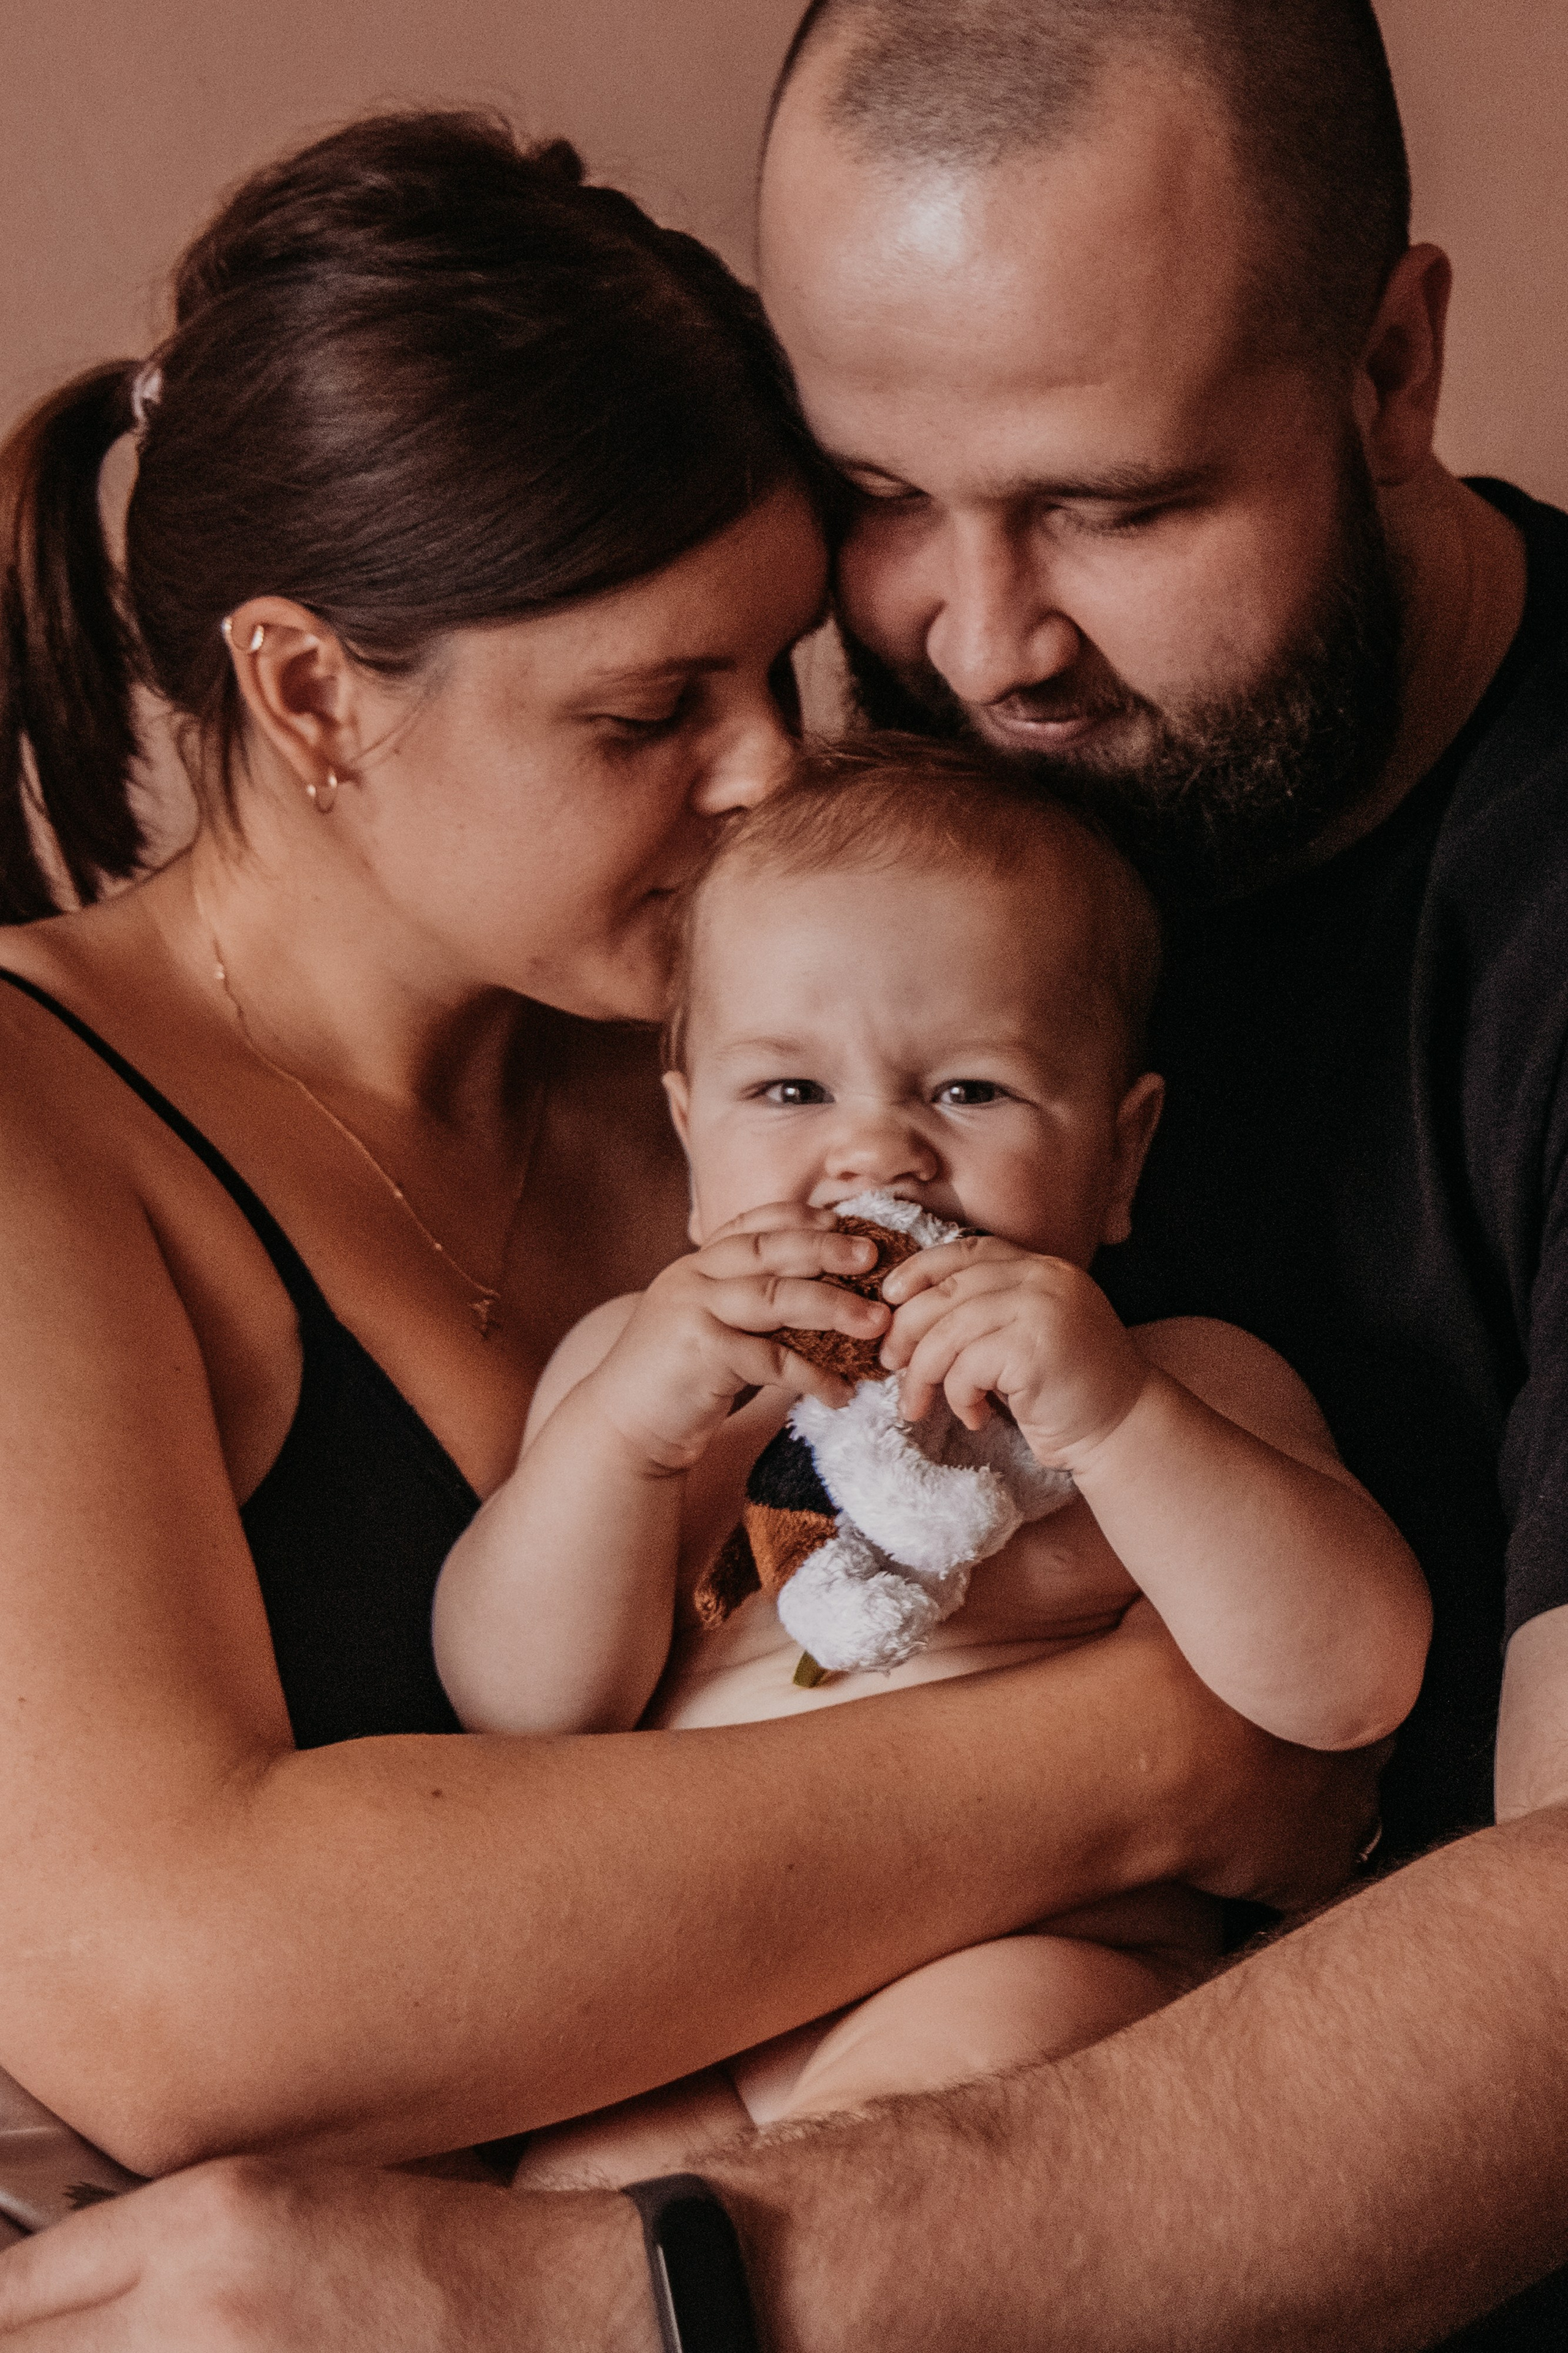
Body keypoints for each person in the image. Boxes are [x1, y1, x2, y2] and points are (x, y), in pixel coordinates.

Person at [4, 0, 1558, 2341]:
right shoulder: (131, 1114)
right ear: (312, 699)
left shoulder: (804, 1023)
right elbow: (205, 1988)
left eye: (782, 675)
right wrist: (1156, 1751)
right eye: (653, 718)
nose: (796, 773)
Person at [433, 743, 1428, 2186]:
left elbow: (1350, 1685)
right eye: (785, 1091)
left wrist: (1114, 1422)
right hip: (680, 1986)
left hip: (1022, 1955)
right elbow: (519, 1706)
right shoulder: (631, 1375)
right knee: (562, 2209)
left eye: (966, 1090)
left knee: (895, 2161)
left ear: (1118, 1154)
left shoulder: (1185, 1380)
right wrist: (627, 1435)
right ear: (686, 1131)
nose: (873, 1157)